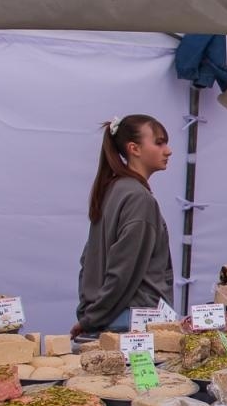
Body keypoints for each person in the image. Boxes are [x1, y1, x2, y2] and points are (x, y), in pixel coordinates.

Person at [73, 114, 174, 337]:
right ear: (134, 148)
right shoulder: (138, 198)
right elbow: (123, 271)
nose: (168, 150)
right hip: (131, 322)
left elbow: (87, 260)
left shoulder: (112, 190)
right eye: (159, 143)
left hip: (112, 319)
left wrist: (90, 314)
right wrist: (92, 318)